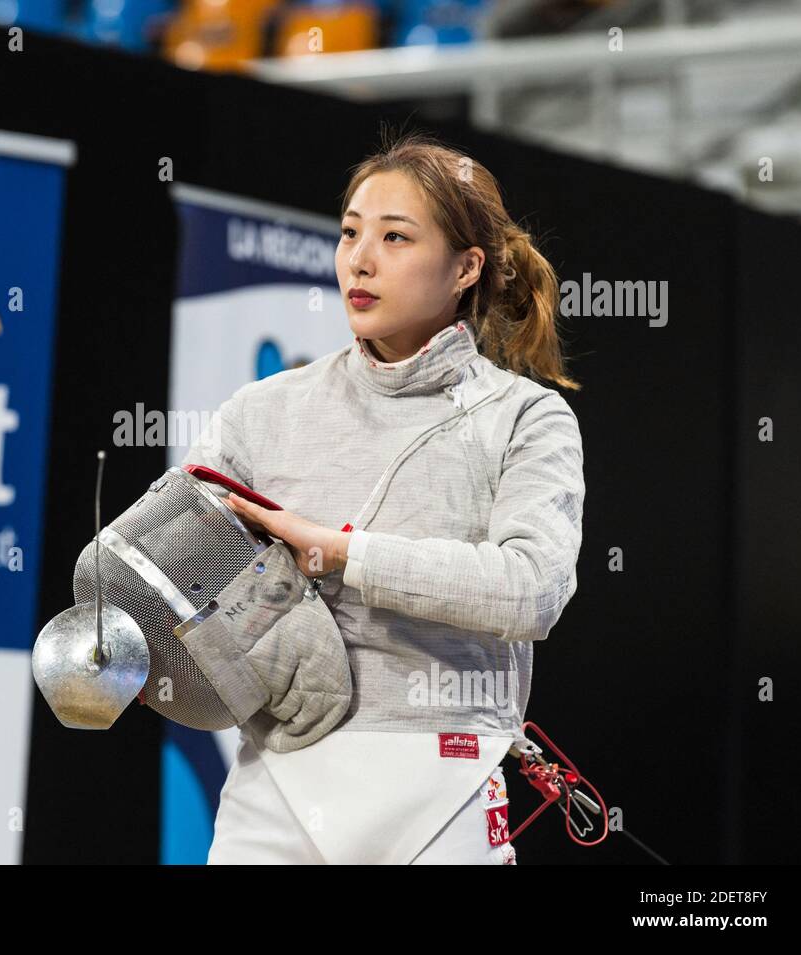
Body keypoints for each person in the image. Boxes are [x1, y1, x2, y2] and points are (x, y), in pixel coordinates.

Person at [181, 130, 585, 864]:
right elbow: (172, 551)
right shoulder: (263, 410)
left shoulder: (525, 417)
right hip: (277, 786)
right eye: (349, 234)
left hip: (445, 786)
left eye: (396, 237)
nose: (359, 260)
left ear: (466, 267)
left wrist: (341, 552)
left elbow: (532, 591)